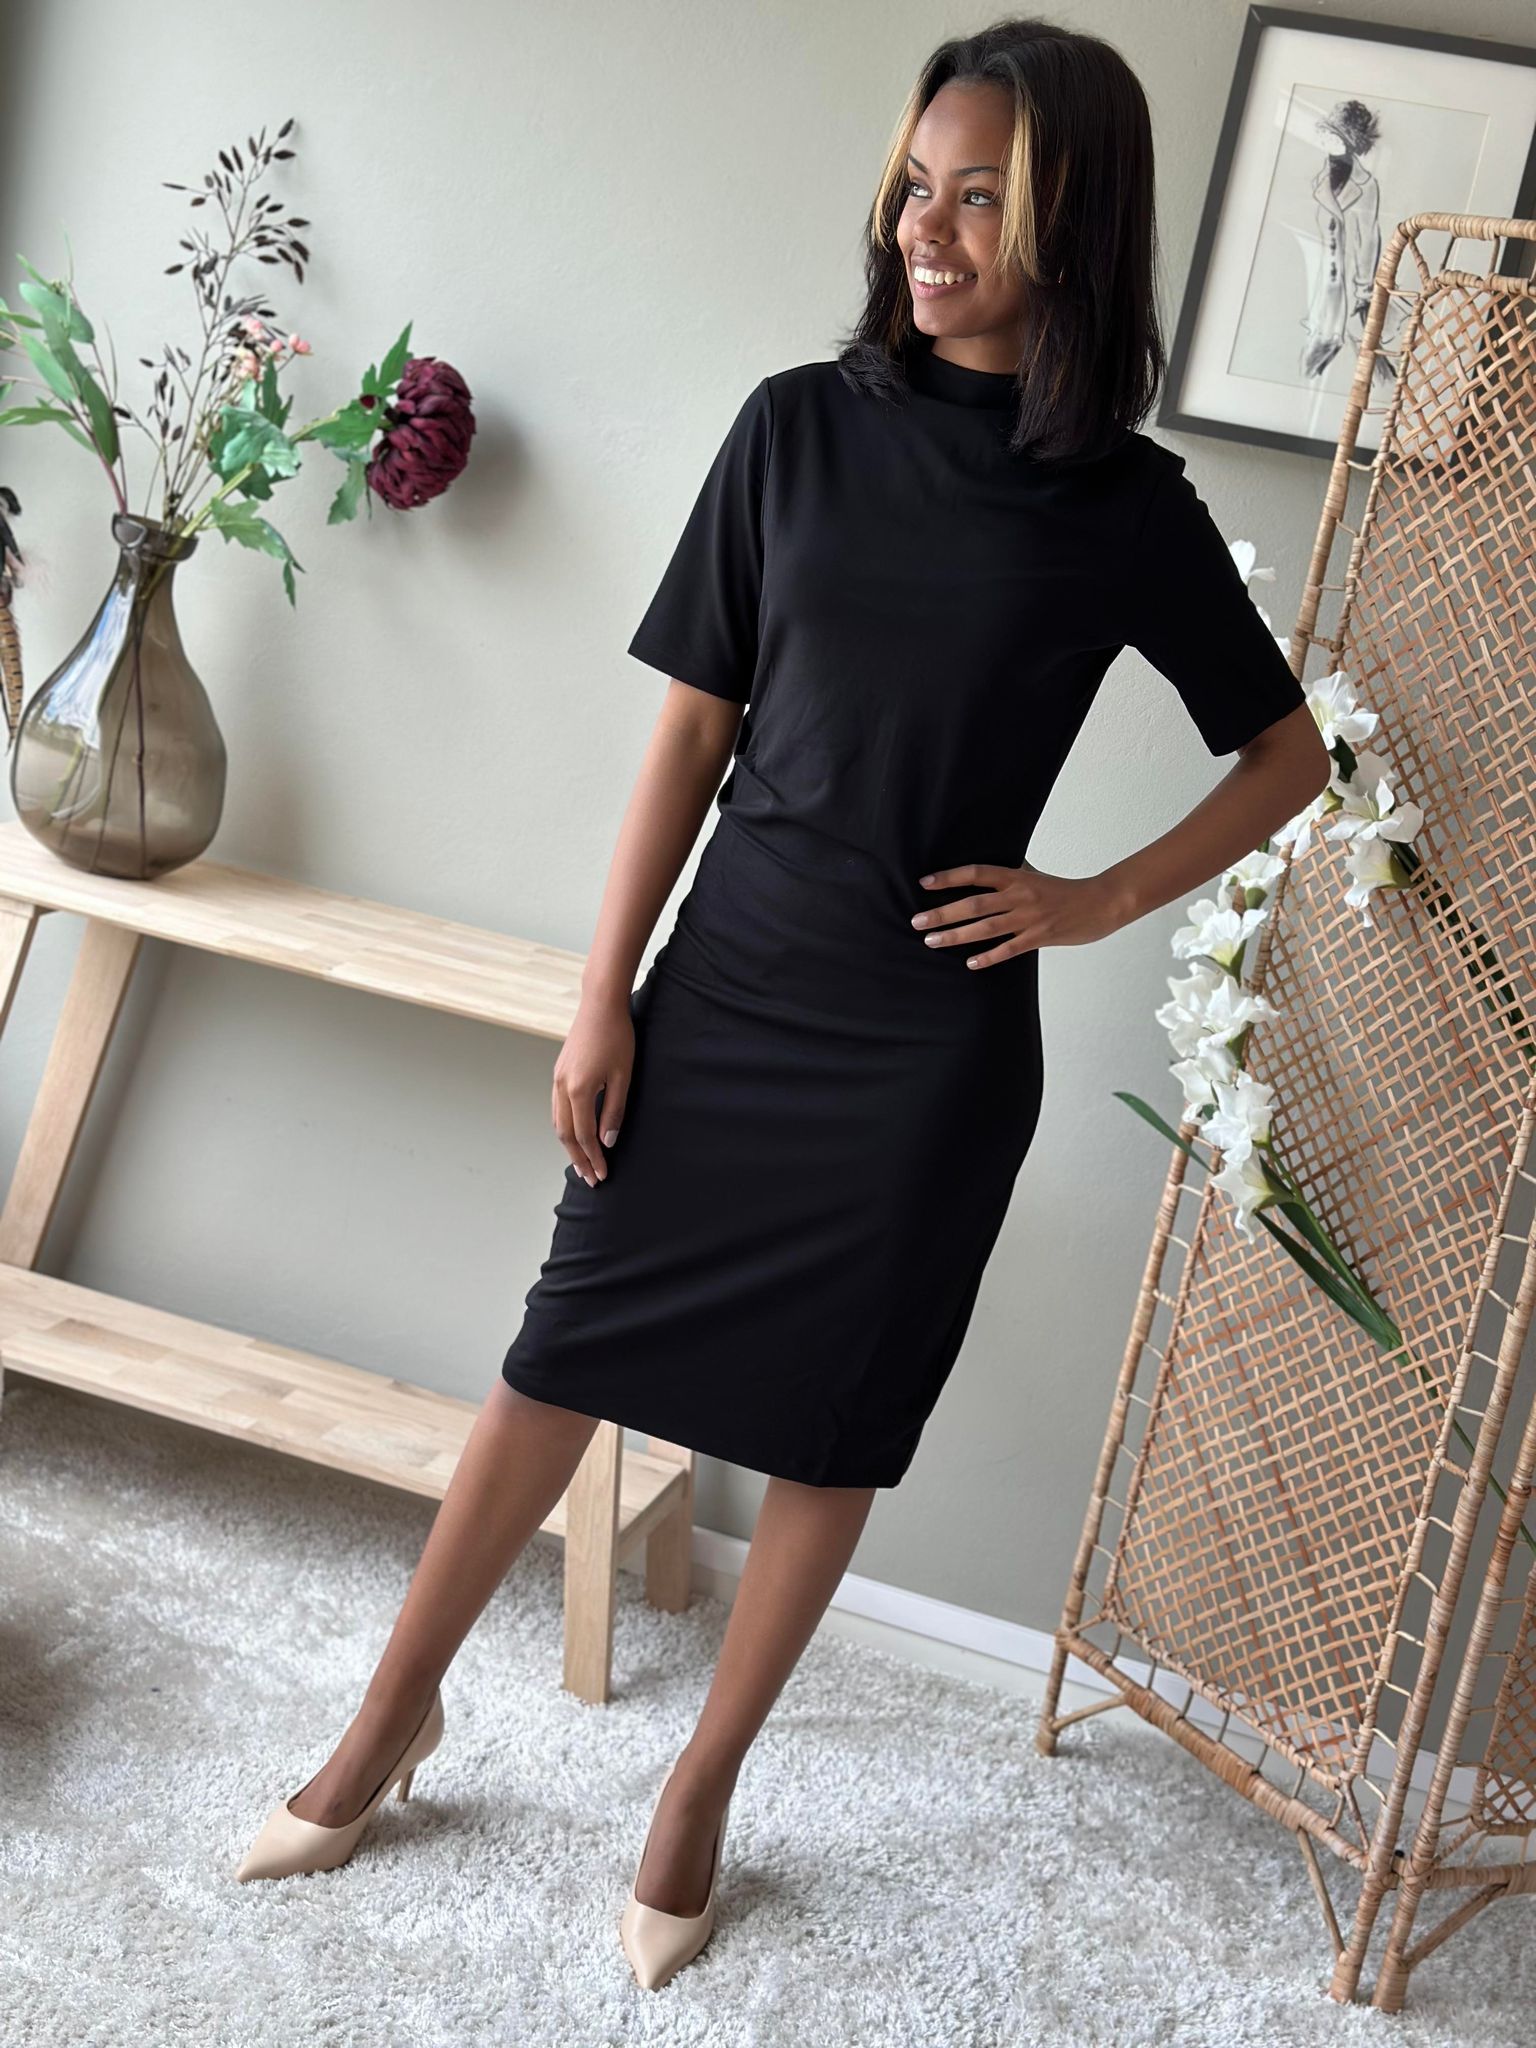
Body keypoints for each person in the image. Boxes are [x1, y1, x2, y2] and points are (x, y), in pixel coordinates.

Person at [232, 14, 1332, 1991]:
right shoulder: (795, 429)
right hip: (728, 985)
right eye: (916, 184)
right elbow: (690, 735)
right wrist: (605, 996)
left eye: (981, 196)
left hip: (927, 1056)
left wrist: (1093, 900)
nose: (928, 227)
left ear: (1074, 227)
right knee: (558, 1352)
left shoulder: (1125, 507)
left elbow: (1286, 753)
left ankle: (703, 1784)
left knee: (834, 1425)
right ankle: (393, 1713)